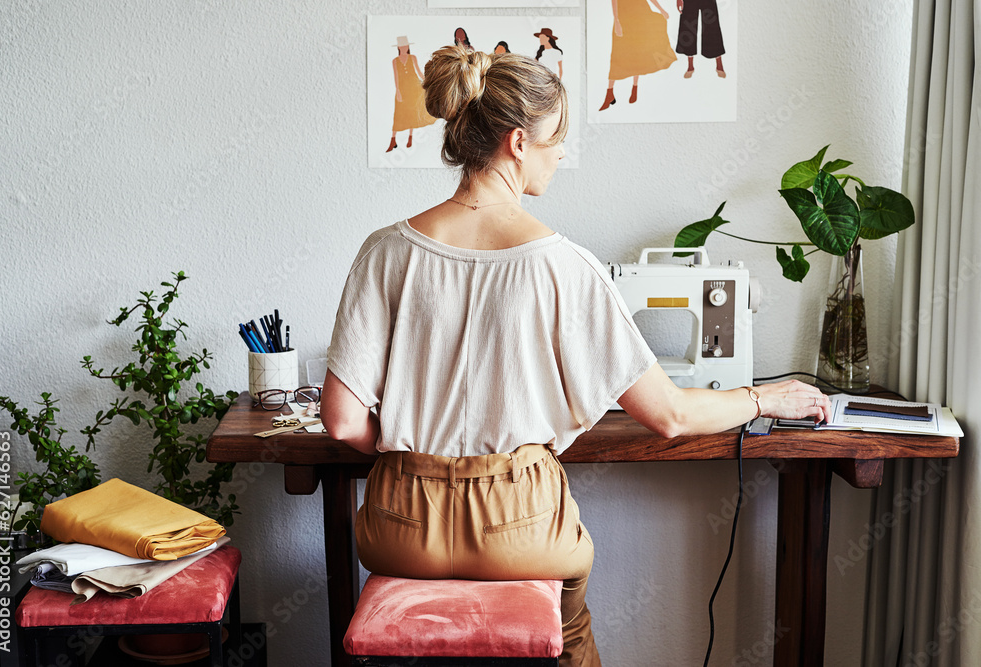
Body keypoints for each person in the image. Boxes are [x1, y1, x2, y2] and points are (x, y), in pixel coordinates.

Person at [322, 44, 830, 667]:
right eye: (556, 139)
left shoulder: (384, 251)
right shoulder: (563, 264)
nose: (561, 154)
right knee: (568, 630)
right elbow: (668, 416)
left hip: (398, 527)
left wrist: (415, 454)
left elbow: (343, 422)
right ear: (515, 142)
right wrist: (764, 396)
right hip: (519, 529)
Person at [600, 0, 676, 111]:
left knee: (637, 52)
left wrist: (661, 10)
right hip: (624, 17)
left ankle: (635, 87)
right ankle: (610, 92)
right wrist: (616, 20)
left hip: (640, 14)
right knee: (618, 53)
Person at [387, 36, 437, 153]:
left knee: (413, 112)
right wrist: (398, 90)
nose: (404, 48)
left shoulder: (412, 57)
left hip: (415, 87)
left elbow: (418, 71)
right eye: (402, 47)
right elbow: (396, 77)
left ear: (407, 47)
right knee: (399, 113)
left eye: (405, 46)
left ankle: (410, 138)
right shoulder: (395, 61)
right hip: (403, 90)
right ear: (399, 48)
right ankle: (393, 139)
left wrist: (427, 82)